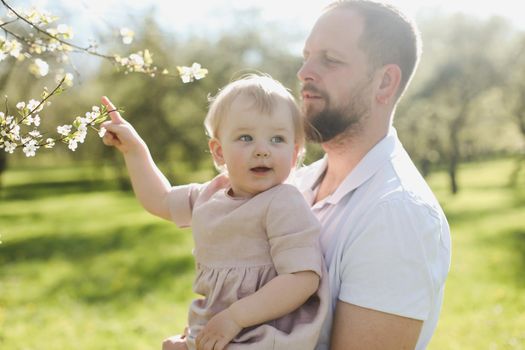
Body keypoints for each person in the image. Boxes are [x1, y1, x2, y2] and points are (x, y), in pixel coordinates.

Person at [100, 74, 328, 350]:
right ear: (219, 152)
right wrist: (135, 150)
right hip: (217, 330)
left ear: (293, 156)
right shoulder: (210, 195)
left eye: (277, 139)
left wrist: (235, 317)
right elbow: (159, 199)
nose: (262, 150)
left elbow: (302, 279)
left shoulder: (283, 202)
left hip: (264, 335)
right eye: (246, 137)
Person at [293, 1, 451, 349]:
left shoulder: (397, 214)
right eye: (306, 56)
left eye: (330, 59)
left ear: (384, 82)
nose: (305, 71)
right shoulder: (296, 185)